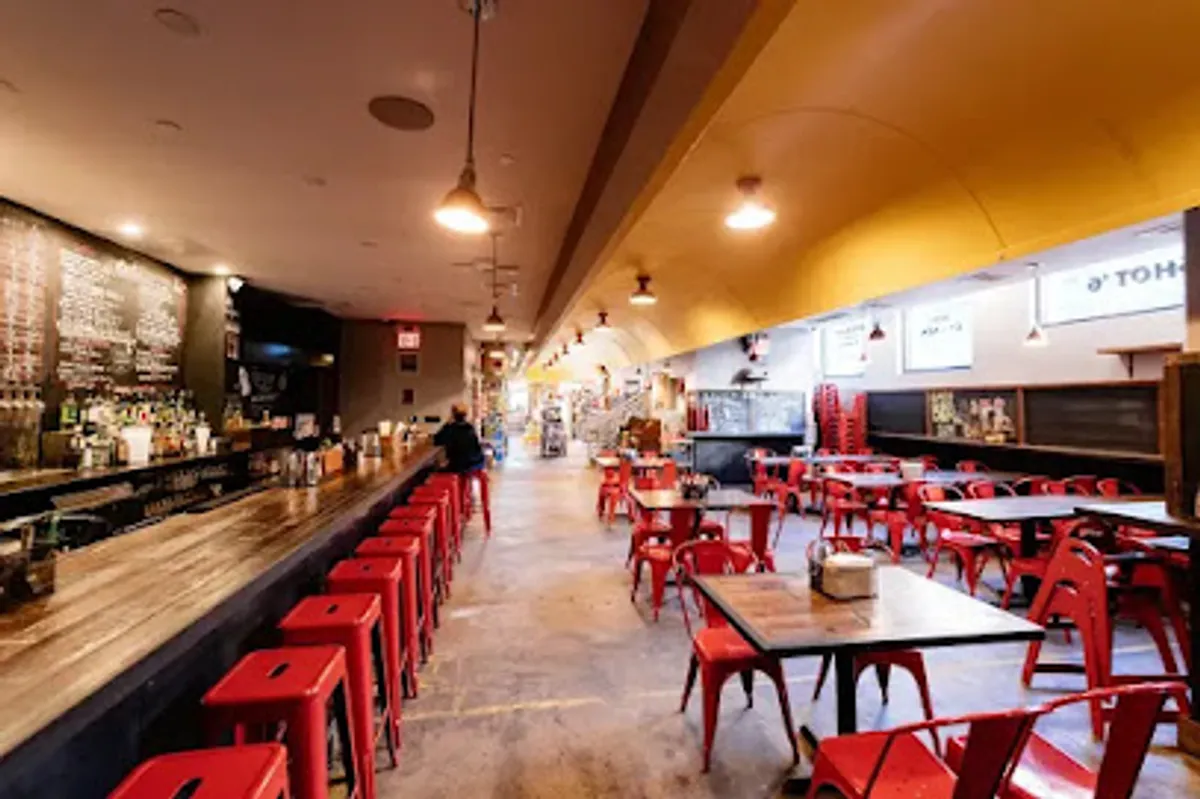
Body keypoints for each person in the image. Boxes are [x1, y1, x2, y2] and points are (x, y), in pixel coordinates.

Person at [433, 404, 486, 474]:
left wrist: (447, 423)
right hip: (475, 464)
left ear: (453, 415)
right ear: (465, 416)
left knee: (433, 469)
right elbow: (477, 447)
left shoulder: (450, 429)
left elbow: (437, 440)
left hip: (458, 467)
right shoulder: (470, 428)